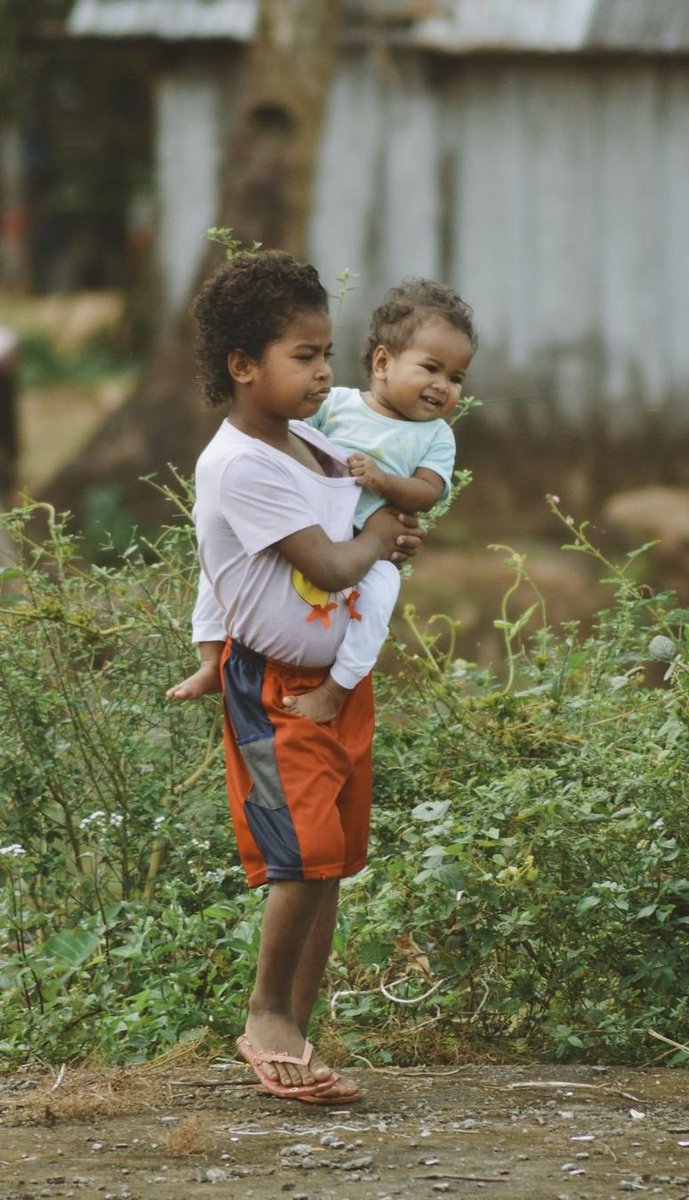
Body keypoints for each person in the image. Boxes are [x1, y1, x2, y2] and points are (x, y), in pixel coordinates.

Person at [183, 249, 425, 1103]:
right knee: (301, 857)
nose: (324, 373)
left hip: (336, 685)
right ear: (242, 366)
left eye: (328, 354)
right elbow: (327, 564)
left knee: (330, 862)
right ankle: (265, 1020)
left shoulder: (311, 443)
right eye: (302, 357)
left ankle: (297, 1018)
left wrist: (387, 531)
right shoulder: (242, 464)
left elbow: (356, 529)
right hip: (279, 687)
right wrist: (383, 537)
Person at [168, 276, 477, 722]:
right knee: (214, 568)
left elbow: (427, 492)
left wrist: (384, 500)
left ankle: (339, 686)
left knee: (377, 601)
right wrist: (378, 535)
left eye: (456, 378)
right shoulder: (329, 410)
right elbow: (327, 564)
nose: (443, 385)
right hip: (286, 651)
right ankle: (210, 658)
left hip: (356, 557)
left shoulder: (435, 436)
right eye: (430, 369)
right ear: (383, 362)